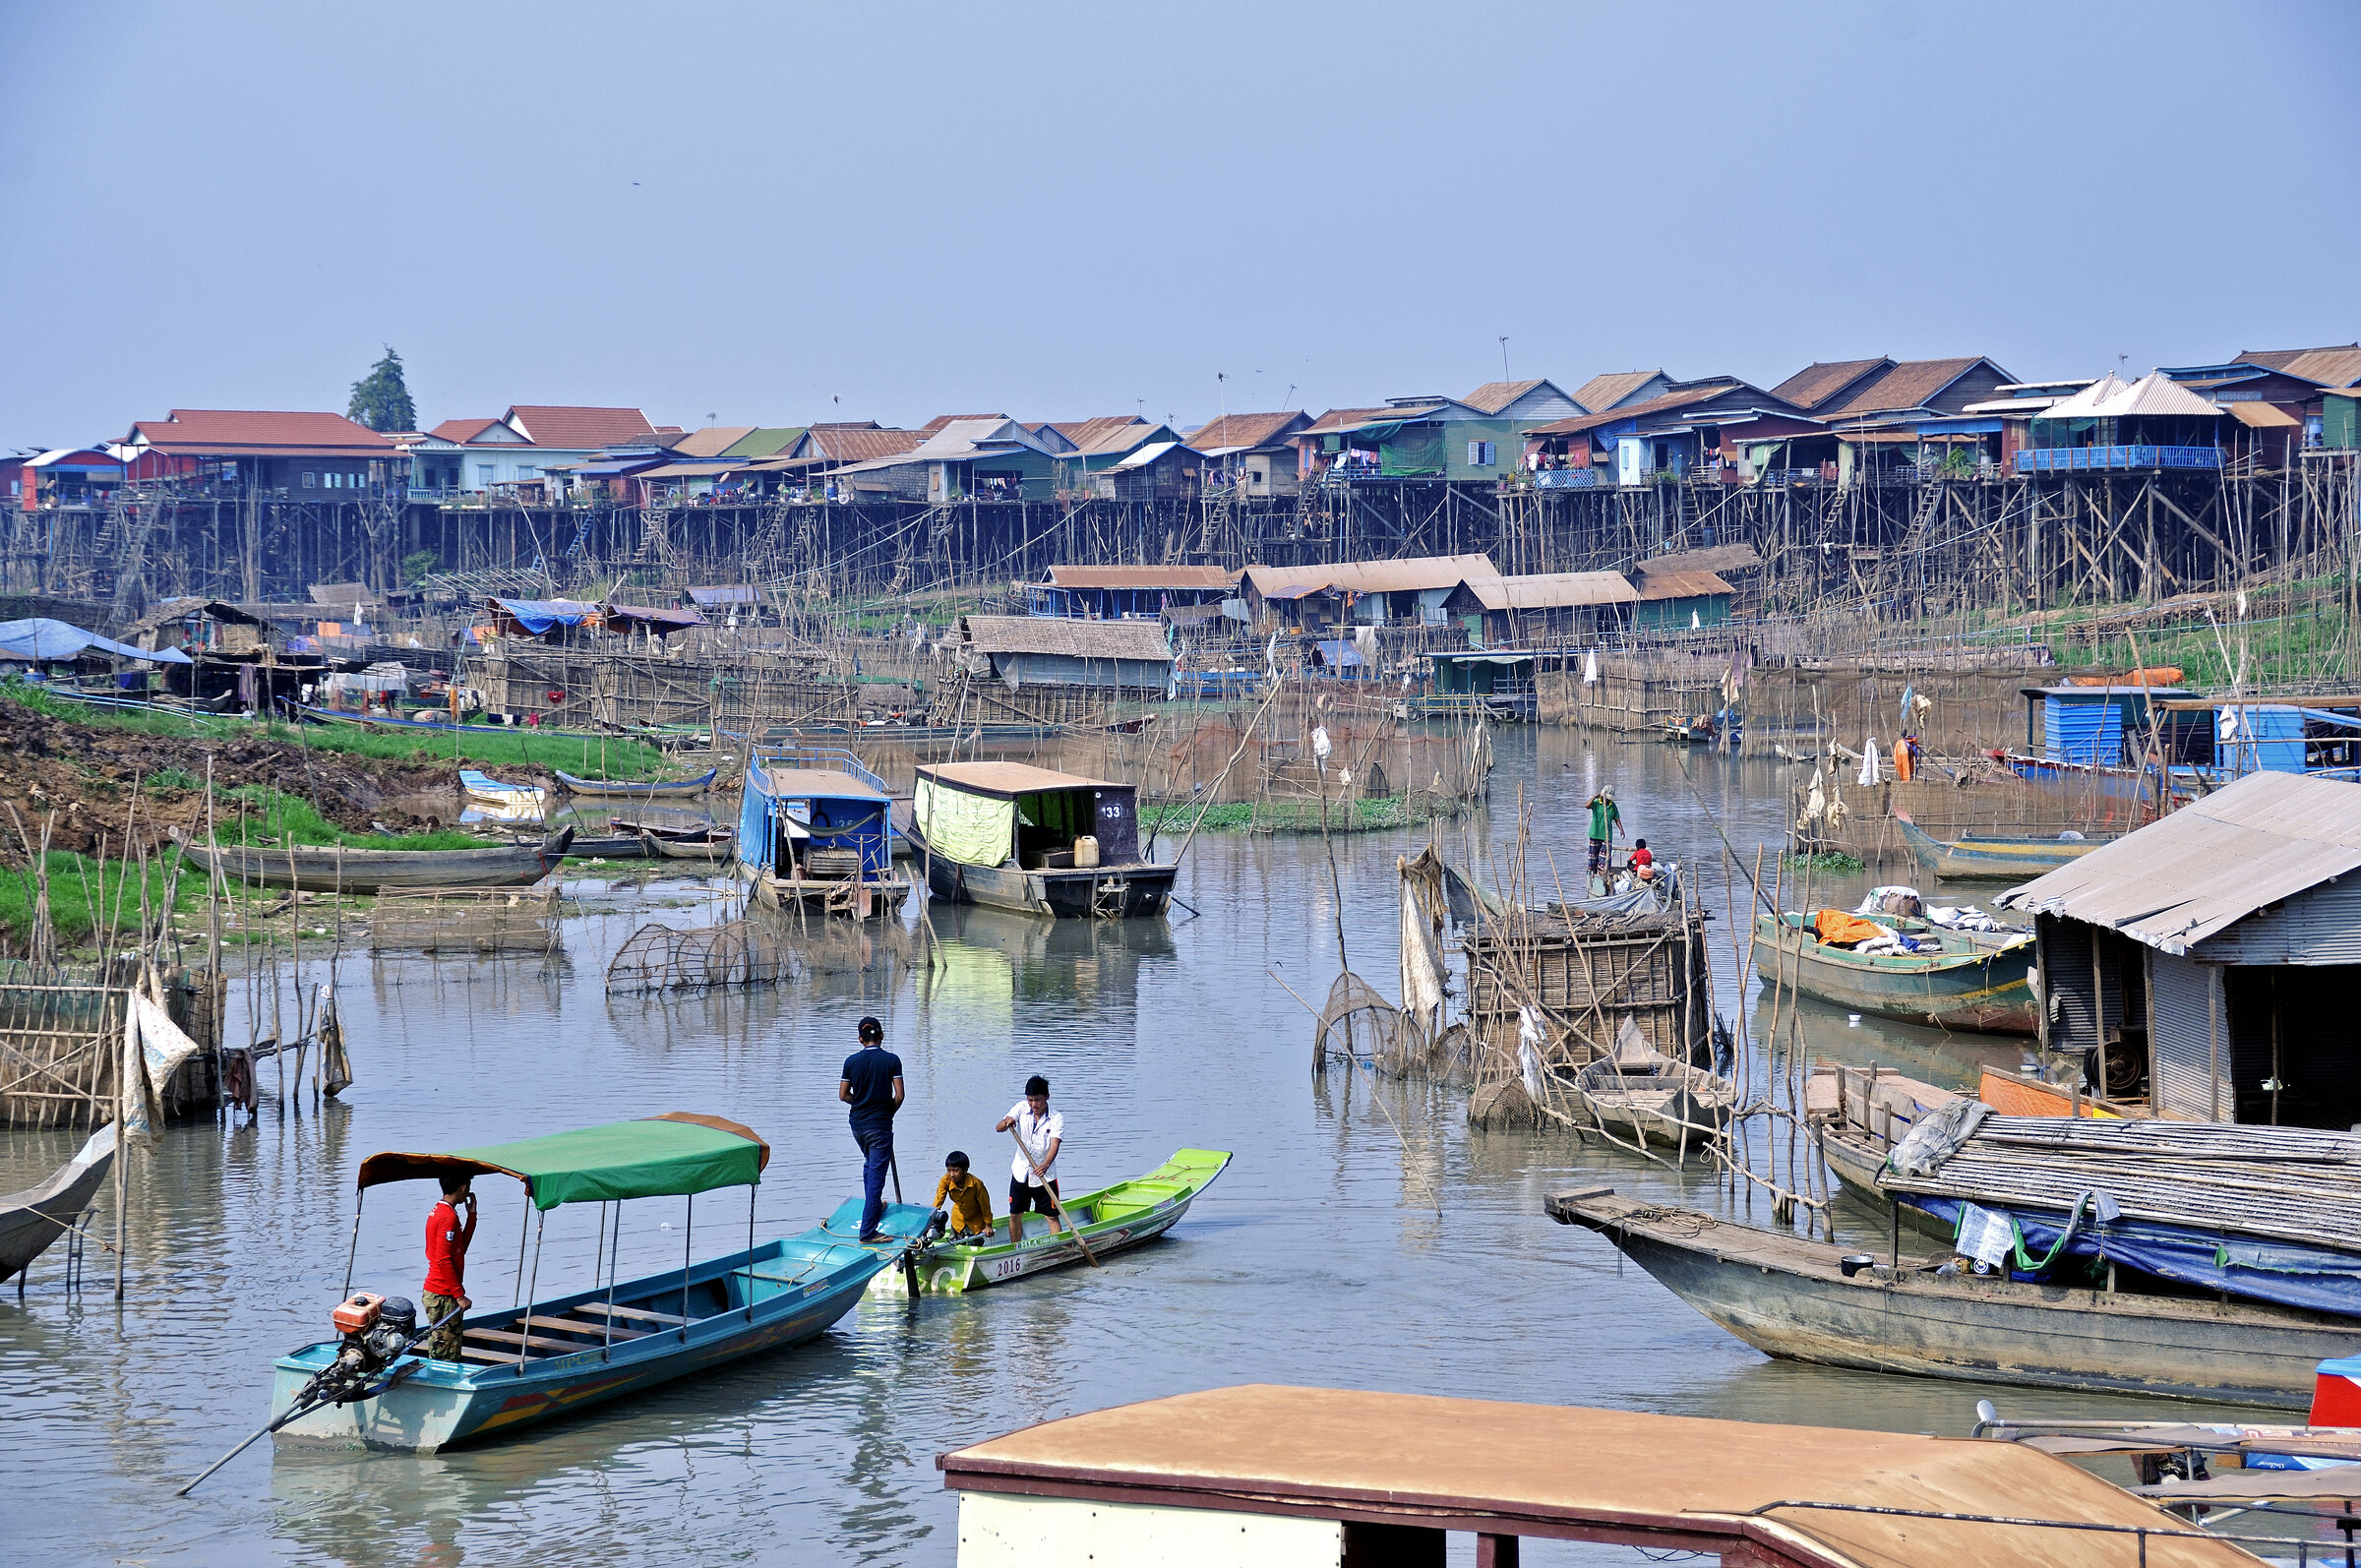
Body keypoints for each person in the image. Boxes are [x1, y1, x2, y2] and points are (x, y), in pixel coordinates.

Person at [837, 1015, 904, 1241]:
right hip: (880, 1125)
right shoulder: (892, 1060)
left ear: (860, 1039)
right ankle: (867, 1232)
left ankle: (874, 1207)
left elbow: (843, 1095)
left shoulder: (851, 1062)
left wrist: (862, 1102)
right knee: (876, 1174)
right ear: (882, 1036)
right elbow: (900, 1095)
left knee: (870, 1166)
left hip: (857, 1125)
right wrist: (887, 1113)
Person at [995, 1075, 1064, 1245]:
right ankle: (1015, 1250)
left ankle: (1057, 1249)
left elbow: (1055, 1145)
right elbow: (999, 1128)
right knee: (1015, 1215)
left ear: (1046, 1097)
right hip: (1021, 1173)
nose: (1034, 1105)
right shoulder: (1020, 1108)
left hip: (1044, 1175)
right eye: (1031, 1100)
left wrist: (1045, 1164)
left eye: (1038, 1100)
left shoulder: (1056, 1118)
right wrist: (1007, 1122)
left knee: (1052, 1216)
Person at [421, 1172, 477, 1361]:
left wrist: (472, 1216)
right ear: (463, 1188)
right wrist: (459, 1295)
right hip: (442, 1294)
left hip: (441, 1291)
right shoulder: (447, 1218)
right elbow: (443, 1260)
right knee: (446, 1351)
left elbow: (459, 1249)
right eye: (467, 1188)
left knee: (443, 1344)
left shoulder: (441, 1211)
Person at [933, 1151, 995, 1239]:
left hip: (975, 1222)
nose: (952, 1174)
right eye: (949, 1170)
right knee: (954, 1246)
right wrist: (930, 1220)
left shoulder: (976, 1184)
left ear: (965, 1170)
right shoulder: (946, 1180)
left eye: (956, 1170)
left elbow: (985, 1206)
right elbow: (938, 1200)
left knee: (974, 1246)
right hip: (958, 1221)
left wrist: (988, 1225)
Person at [1586, 785, 1621, 878]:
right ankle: (1592, 875)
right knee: (1593, 857)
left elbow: (1617, 819)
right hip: (1595, 834)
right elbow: (1586, 805)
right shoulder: (1597, 803)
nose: (1608, 800)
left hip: (1606, 835)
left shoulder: (1612, 806)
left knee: (1605, 857)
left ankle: (1603, 875)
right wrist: (1594, 796)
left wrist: (1621, 829)